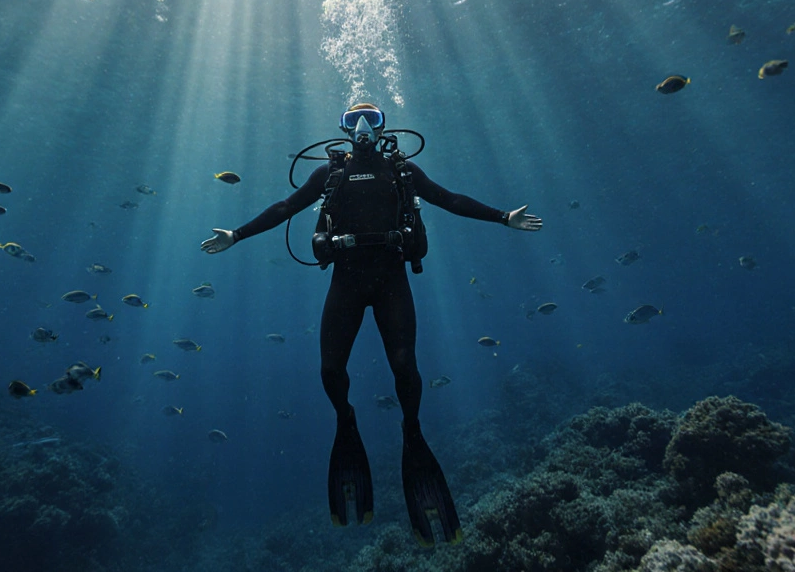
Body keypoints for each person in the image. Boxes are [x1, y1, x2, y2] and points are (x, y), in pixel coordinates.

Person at [200, 102, 542, 546]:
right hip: (346, 281)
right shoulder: (330, 176)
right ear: (342, 129)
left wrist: (502, 217)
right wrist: (237, 234)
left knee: (405, 368)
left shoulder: (402, 171)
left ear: (383, 127)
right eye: (353, 120)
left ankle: (412, 430)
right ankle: (346, 420)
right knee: (329, 371)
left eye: (372, 119)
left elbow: (449, 199)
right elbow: (286, 206)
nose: (363, 127)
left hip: (391, 281)